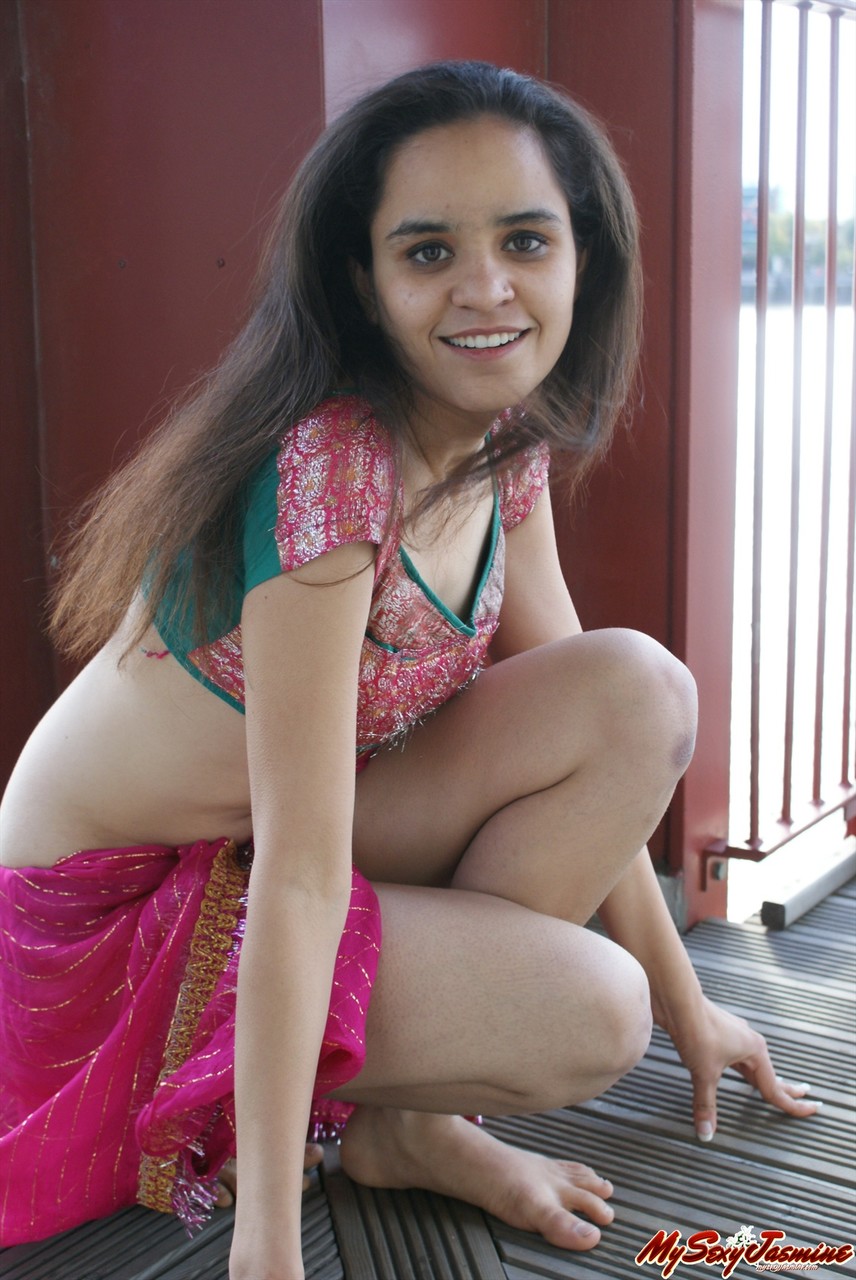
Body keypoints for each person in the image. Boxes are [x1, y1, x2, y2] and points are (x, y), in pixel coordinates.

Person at [0, 60, 817, 1280]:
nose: (486, 288)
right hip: (108, 923)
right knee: (591, 1011)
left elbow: (603, 739)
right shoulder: (332, 480)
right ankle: (381, 1120)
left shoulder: (498, 443)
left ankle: (409, 1124)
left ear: (581, 259)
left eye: (525, 240)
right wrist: (266, 1246)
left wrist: (689, 1002)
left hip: (256, 845)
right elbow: (299, 874)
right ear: (362, 281)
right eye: (429, 251)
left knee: (638, 687)